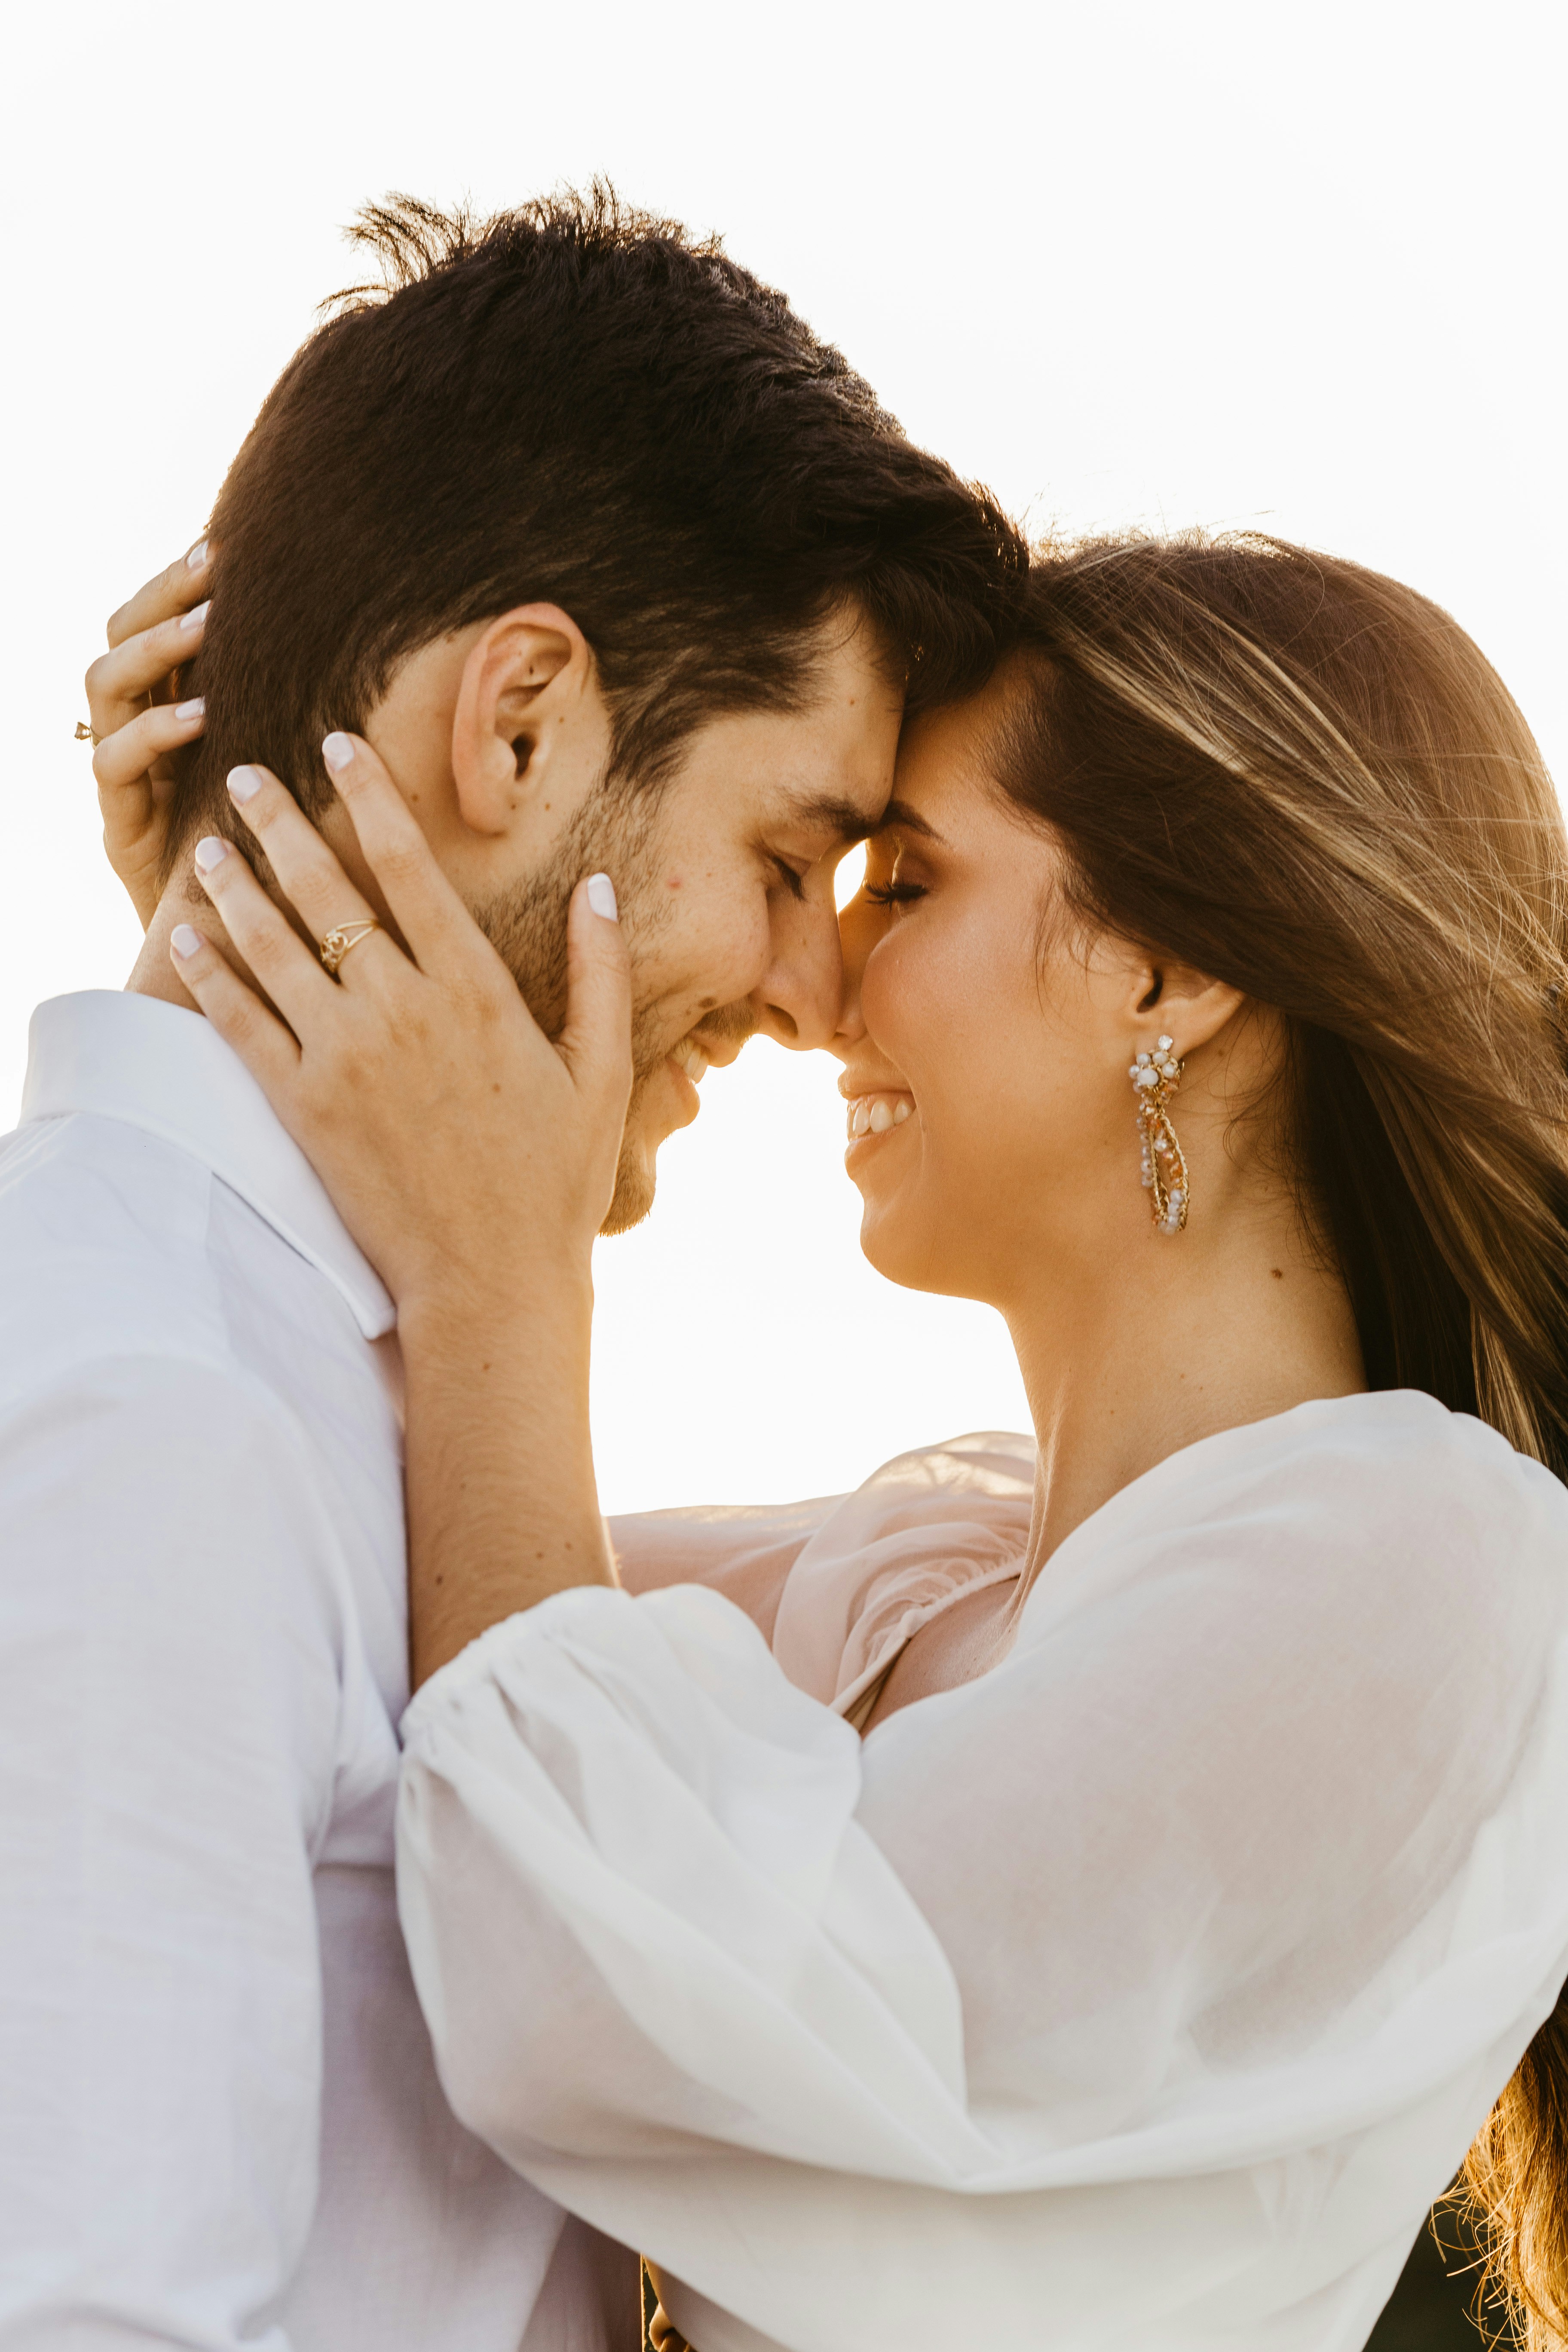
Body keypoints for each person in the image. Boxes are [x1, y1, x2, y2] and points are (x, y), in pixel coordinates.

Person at [125, 529, 1568, 2351]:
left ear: (1166, 974)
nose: (819, 992)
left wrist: (502, 1280)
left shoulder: (1425, 1563)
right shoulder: (912, 1578)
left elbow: (604, 1980)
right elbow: (331, 1563)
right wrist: (231, 953)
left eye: (906, 882)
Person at [0, 189, 1023, 2352]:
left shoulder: (270, 1352)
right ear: (524, 725)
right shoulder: (146, 1404)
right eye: (787, 855)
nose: (811, 989)